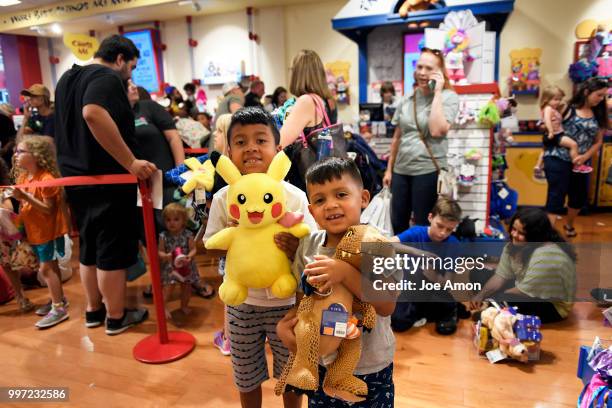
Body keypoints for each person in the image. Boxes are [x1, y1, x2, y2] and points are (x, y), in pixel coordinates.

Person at [203, 107, 316, 408]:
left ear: (277, 148)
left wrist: (296, 250)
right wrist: (231, 238)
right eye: (240, 142)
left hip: (286, 303)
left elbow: (314, 246)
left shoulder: (294, 196)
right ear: (228, 151)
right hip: (241, 303)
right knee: (245, 372)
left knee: (291, 370)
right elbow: (209, 241)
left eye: (260, 140)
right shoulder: (223, 198)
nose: (251, 147)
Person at [54, 34, 157, 335]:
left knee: (89, 248)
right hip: (106, 179)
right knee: (111, 249)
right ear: (121, 59)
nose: (130, 75)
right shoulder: (106, 76)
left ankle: (93, 310)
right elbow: (93, 113)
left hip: (76, 178)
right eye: (132, 67)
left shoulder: (66, 79)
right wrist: (131, 162)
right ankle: (116, 316)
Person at [277, 157, 400, 407]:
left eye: (341, 194)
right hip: (322, 363)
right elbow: (304, 303)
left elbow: (387, 305)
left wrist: (344, 272)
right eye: (320, 199)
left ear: (363, 198)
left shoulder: (378, 245)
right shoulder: (308, 245)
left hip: (371, 365)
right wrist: (286, 329)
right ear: (311, 210)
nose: (331, 205)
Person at [383, 48, 459, 232]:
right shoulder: (407, 99)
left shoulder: (449, 97)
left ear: (440, 72)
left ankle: (423, 260)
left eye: (429, 68)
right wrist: (389, 170)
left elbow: (436, 129)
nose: (423, 73)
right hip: (401, 169)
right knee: (398, 221)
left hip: (427, 170)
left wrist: (438, 91)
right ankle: (401, 259)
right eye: (420, 67)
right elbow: (397, 137)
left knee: (424, 224)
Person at [470, 208, 576, 323]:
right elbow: (501, 276)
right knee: (477, 273)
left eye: (521, 233)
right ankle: (495, 306)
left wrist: (493, 299)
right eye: (514, 229)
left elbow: (524, 292)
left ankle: (494, 310)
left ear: (535, 235)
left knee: (503, 300)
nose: (514, 234)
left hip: (551, 305)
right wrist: (481, 295)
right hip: (522, 284)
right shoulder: (514, 245)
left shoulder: (546, 256)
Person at [8, 136, 70, 328]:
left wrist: (25, 196)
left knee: (46, 268)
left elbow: (48, 209)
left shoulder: (46, 179)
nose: (15, 155)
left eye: (21, 151)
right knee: (51, 267)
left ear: (36, 155)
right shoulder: (23, 177)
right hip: (34, 231)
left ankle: (59, 308)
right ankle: (58, 300)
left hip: (47, 232)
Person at [390, 196, 467, 335]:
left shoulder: (454, 244)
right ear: (430, 217)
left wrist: (435, 276)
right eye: (440, 226)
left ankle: (448, 309)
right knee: (398, 323)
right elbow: (387, 244)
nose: (443, 233)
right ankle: (422, 312)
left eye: (449, 229)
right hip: (411, 289)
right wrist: (416, 252)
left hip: (435, 289)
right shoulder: (416, 232)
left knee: (445, 329)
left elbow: (448, 284)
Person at [543, 78, 607, 237]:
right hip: (558, 158)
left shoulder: (599, 114)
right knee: (556, 196)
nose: (601, 99)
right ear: (586, 92)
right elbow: (548, 128)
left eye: (603, 96)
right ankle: (545, 234)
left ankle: (569, 224)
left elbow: (598, 142)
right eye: (598, 95)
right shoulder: (566, 108)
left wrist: (584, 156)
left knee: (579, 197)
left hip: (581, 162)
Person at [279, 50, 338, 191]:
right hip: (326, 178)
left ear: (297, 73)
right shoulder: (328, 101)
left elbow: (280, 144)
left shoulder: (306, 101)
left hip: (307, 183)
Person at [128, 80, 184, 208]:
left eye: (133, 83)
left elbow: (174, 138)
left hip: (166, 181)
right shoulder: (114, 115)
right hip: (136, 185)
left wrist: (180, 172)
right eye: (128, 84)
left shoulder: (148, 106)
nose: (133, 87)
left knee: (171, 223)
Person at [0, 159, 34, 312]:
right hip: (6, 237)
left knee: (9, 267)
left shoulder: (3, 191)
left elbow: (7, 209)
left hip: (4, 238)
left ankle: (21, 297)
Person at [534, 86, 590, 177]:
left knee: (545, 150)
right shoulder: (548, 108)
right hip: (555, 134)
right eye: (555, 99)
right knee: (573, 145)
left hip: (553, 134)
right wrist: (551, 131)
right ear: (547, 99)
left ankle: (538, 165)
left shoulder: (552, 108)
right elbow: (547, 120)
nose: (558, 102)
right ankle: (577, 164)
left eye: (559, 99)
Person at [158, 203, 199, 320]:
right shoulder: (163, 236)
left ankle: (184, 305)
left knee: (186, 287)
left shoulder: (188, 234)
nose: (172, 222)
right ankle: (163, 307)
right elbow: (159, 252)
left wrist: (189, 257)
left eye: (176, 219)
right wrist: (166, 256)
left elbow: (193, 249)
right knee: (168, 288)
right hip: (170, 268)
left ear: (183, 220)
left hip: (186, 266)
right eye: (168, 220)